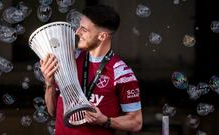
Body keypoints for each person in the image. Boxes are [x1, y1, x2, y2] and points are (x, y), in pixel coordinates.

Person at [40, 4, 143, 135]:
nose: (77, 32)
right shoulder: (67, 59)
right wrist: (49, 84)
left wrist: (105, 121)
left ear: (102, 36)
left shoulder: (121, 72)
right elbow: (52, 111)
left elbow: (136, 122)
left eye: (84, 29)